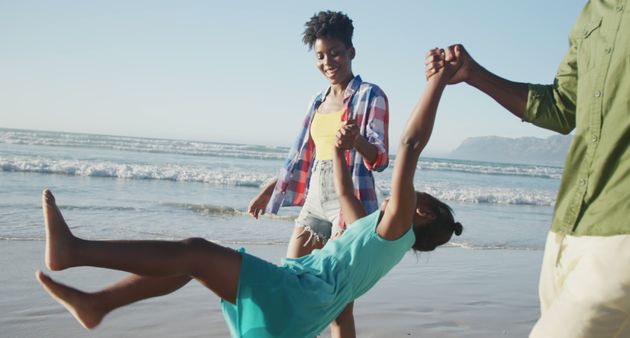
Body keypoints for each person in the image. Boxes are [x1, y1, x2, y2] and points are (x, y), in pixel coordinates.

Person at [36, 48, 462, 338]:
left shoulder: (398, 224)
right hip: (302, 298)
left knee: (195, 252)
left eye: (413, 197)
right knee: (194, 264)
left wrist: (438, 82)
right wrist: (336, 146)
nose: (401, 196)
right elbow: (345, 189)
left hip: (299, 295)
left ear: (421, 211)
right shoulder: (374, 229)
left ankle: (75, 252)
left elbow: (407, 146)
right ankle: (98, 304)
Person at [426, 1, 630, 336]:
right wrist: (474, 74)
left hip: (628, 228)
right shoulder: (591, 13)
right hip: (569, 226)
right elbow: (561, 107)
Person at [247, 11, 389, 336]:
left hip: (347, 204)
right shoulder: (318, 100)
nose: (328, 62)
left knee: (338, 307)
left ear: (351, 51)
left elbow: (380, 158)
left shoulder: (371, 95)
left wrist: (357, 141)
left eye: (335, 53)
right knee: (292, 283)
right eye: (321, 56)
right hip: (314, 201)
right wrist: (271, 188)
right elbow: (304, 157)